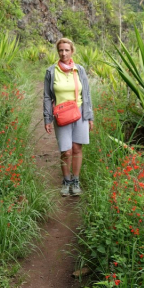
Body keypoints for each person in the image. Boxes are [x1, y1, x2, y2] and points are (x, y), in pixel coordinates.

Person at [43, 38, 94, 196]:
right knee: (66, 151)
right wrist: (47, 119)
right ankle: (66, 181)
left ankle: (76, 180)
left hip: (79, 113)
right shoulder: (51, 71)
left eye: (66, 50)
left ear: (72, 51)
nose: (63, 53)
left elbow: (86, 93)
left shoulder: (79, 70)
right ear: (58, 52)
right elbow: (46, 97)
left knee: (77, 149)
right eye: (61, 50)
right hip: (61, 114)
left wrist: (89, 116)